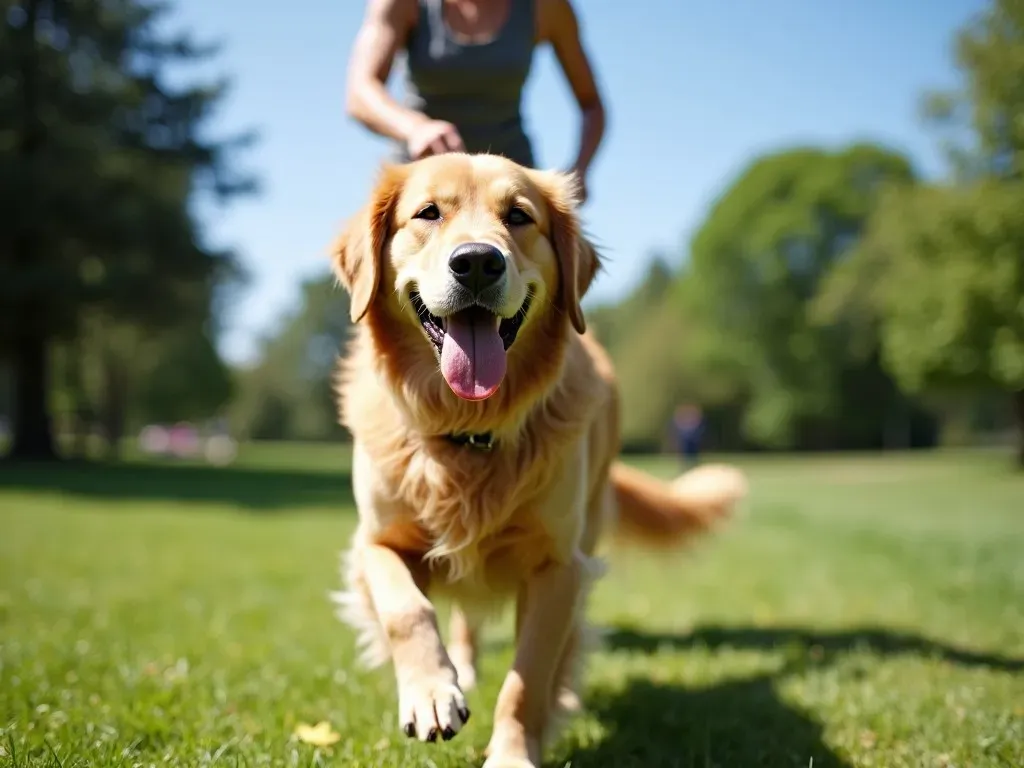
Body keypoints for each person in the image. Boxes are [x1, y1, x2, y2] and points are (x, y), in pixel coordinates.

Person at [345, 0, 606, 201]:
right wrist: (415, 128)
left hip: (510, 186)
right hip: (421, 184)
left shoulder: (544, 7)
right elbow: (360, 92)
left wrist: (579, 170)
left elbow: (591, 104)